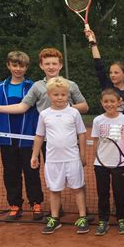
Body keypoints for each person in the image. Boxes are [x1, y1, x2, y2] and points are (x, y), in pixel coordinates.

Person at [85, 29, 124, 214]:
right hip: (109, 138)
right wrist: (93, 43)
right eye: (111, 72)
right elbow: (98, 66)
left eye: (116, 72)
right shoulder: (107, 89)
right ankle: (115, 205)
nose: (112, 75)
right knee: (113, 173)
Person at [30, 77, 88, 234]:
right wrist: (34, 155)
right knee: (54, 190)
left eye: (63, 94)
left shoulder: (74, 112)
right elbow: (39, 136)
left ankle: (83, 217)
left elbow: (82, 134)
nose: (60, 98)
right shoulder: (44, 114)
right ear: (49, 95)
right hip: (53, 160)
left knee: (77, 188)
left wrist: (82, 154)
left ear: (67, 95)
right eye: (56, 94)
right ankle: (55, 219)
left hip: (72, 159)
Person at [0, 51, 44, 220]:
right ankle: (15, 205)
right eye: (15, 65)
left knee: (32, 171)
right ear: (8, 65)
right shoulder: (0, 88)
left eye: (22, 66)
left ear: (26, 67)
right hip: (6, 138)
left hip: (28, 138)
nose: (18, 69)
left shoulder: (34, 87)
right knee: (11, 172)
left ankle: (36, 204)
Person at [91, 89, 124, 236]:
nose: (109, 104)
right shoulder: (97, 120)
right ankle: (103, 220)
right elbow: (95, 141)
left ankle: (122, 219)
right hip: (101, 164)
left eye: (112, 101)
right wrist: (96, 159)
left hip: (119, 163)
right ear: (101, 103)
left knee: (119, 193)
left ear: (119, 102)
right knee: (102, 193)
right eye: (106, 101)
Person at [0, 48, 89, 116]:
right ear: (41, 66)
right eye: (47, 64)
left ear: (60, 65)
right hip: (45, 135)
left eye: (54, 64)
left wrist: (66, 107)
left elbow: (84, 107)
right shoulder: (37, 86)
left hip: (68, 133)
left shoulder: (71, 84)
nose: (51, 67)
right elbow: (22, 107)